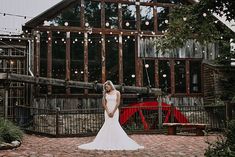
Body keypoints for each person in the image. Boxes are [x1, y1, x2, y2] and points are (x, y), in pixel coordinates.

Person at [78, 80, 144, 150]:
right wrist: (108, 111)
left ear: (110, 85)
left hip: (115, 111)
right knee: (107, 125)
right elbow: (104, 104)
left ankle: (117, 141)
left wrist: (113, 112)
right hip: (107, 111)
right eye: (105, 87)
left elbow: (118, 103)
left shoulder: (117, 92)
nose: (106, 88)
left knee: (115, 124)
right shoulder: (105, 94)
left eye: (107, 86)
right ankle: (106, 141)